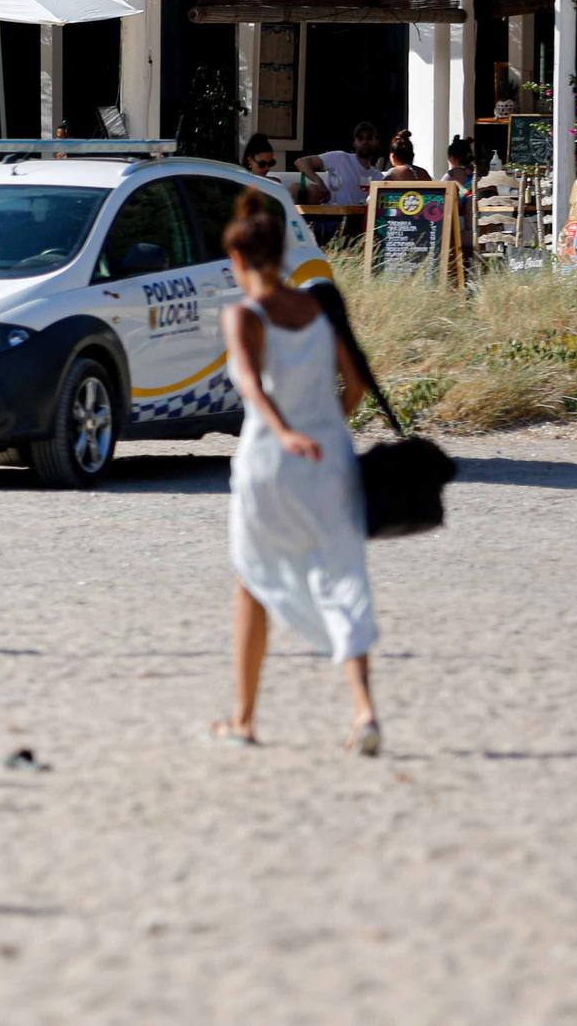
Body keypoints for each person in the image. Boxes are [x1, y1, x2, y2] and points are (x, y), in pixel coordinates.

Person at [211, 188, 382, 755]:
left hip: (269, 461)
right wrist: (327, 428)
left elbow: (251, 385)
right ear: (284, 252)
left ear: (236, 261)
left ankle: (243, 719)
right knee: (343, 576)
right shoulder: (319, 308)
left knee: (252, 581)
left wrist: (284, 431)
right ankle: (363, 712)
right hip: (330, 458)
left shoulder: (242, 313)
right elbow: (355, 386)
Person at [292, 121, 385, 206]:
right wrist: (319, 182)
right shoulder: (340, 158)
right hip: (333, 218)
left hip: (359, 220)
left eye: (369, 138)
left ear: (376, 142)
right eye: (360, 139)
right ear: (354, 143)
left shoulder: (378, 176)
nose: (364, 142)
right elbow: (301, 162)